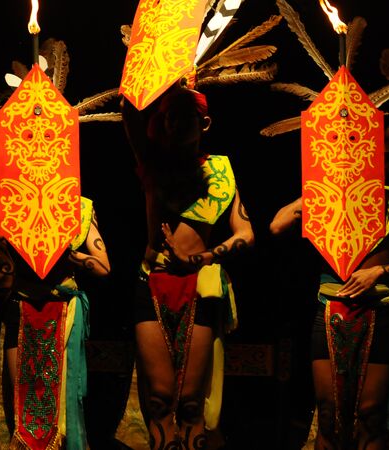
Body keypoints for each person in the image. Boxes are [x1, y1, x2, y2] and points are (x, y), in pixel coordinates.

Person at [120, 85, 254, 450]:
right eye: (169, 118)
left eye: (185, 118)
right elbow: (128, 112)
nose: (176, 126)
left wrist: (201, 258)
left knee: (192, 403)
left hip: (198, 286)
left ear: (205, 123)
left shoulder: (220, 170)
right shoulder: (152, 164)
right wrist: (159, 76)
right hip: (153, 283)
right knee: (160, 399)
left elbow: (246, 233)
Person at [270, 186, 389, 449]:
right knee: (329, 412)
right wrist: (316, 184)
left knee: (371, 414)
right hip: (331, 309)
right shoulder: (323, 195)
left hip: (378, 310)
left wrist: (379, 271)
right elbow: (277, 225)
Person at [0, 195, 110, 449]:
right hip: (22, 309)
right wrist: (0, 204)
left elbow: (103, 266)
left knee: (57, 412)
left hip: (60, 311)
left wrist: (65, 252)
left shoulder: (79, 206)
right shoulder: (12, 196)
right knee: (22, 407)